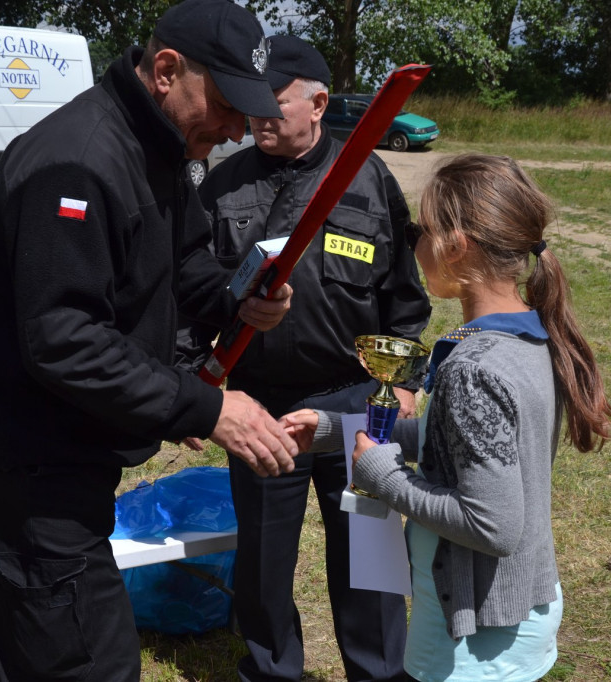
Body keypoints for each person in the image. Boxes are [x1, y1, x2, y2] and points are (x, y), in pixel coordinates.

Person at [0, 2, 301, 680]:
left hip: (67, 448)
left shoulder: (159, 150)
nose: (230, 132)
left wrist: (235, 301)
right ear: (167, 72)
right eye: (224, 107)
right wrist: (204, 408)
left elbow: (185, 259)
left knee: (23, 644)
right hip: (26, 460)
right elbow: (64, 339)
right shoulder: (79, 163)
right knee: (86, 659)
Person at [282, 154, 611, 681]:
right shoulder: (527, 333)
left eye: (422, 229)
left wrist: (384, 479)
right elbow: (456, 441)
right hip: (513, 608)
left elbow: (491, 525)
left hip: (474, 636)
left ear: (456, 246)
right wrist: (334, 431)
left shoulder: (475, 370)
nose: (414, 244)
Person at [180, 35, 432, 682]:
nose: (261, 117)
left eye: (278, 104)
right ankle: (269, 669)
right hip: (262, 401)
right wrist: (195, 388)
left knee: (370, 553)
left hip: (358, 397)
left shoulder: (368, 178)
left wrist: (401, 387)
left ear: (319, 103)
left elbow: (403, 297)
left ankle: (379, 671)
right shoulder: (222, 185)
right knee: (263, 561)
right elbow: (190, 293)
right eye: (254, 105)